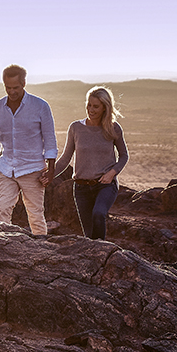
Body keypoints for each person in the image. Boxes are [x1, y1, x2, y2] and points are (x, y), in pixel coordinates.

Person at [0, 64, 57, 234]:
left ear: (24, 83)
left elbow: (50, 139)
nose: (11, 92)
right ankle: (1, 246)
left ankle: (41, 248)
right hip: (6, 167)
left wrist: (52, 169)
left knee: (35, 214)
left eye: (15, 87)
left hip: (32, 169)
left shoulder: (40, 106)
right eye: (7, 87)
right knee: (2, 209)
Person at [52, 86, 129, 240]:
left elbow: (124, 156)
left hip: (105, 185)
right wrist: (48, 175)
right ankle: (98, 257)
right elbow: (66, 158)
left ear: (105, 108)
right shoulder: (76, 128)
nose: (91, 110)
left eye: (96, 106)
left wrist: (112, 173)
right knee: (89, 235)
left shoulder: (113, 128)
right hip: (81, 188)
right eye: (89, 105)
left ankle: (102, 252)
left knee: (99, 214)